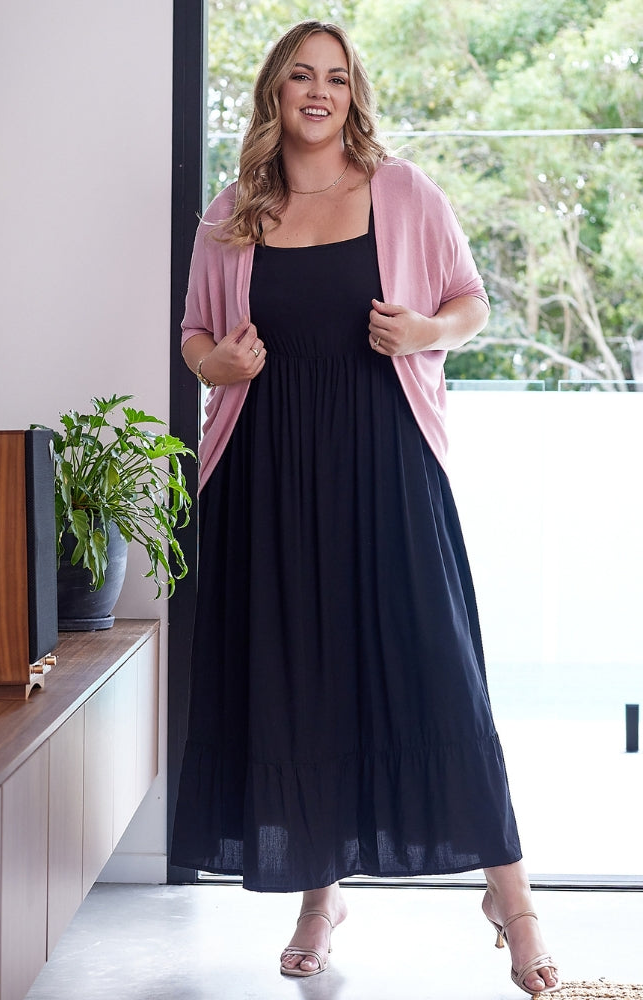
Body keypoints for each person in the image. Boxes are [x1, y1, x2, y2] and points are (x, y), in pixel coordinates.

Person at [171, 20, 561, 997]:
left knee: (442, 676)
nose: (319, 92)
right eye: (302, 75)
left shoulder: (403, 192)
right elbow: (195, 337)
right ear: (274, 91)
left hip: (388, 465)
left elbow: (472, 302)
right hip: (266, 475)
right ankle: (320, 899)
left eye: (337, 79)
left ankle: (513, 904)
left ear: (353, 96)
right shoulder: (234, 212)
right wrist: (217, 365)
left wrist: (426, 330)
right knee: (302, 685)